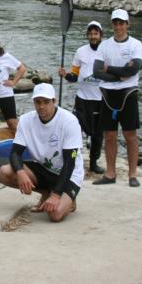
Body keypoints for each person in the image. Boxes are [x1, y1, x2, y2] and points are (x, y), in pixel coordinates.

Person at [0, 83, 83, 222]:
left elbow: (69, 163)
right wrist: (20, 172)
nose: (41, 106)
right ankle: (46, 193)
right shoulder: (25, 120)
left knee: (54, 215)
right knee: (4, 172)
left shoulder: (69, 121)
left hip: (68, 174)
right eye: (38, 102)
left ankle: (66, 198)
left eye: (46, 102)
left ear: (54, 101)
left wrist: (56, 195)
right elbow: (15, 152)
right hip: (44, 168)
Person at [92, 9, 142, 187]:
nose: (118, 26)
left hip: (128, 92)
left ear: (128, 24)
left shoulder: (136, 45)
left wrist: (110, 69)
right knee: (110, 134)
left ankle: (132, 174)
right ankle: (110, 173)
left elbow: (133, 70)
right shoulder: (104, 45)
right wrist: (119, 74)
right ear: (112, 24)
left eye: (122, 23)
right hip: (108, 93)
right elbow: (96, 71)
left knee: (130, 134)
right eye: (115, 23)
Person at [59, 20, 105, 174]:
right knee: (76, 130)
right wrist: (66, 75)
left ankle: (93, 162)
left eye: (96, 33)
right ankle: (74, 161)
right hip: (82, 98)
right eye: (90, 34)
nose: (93, 36)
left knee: (98, 133)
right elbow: (74, 75)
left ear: (100, 35)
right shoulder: (81, 51)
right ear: (87, 35)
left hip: (100, 99)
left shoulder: (107, 51)